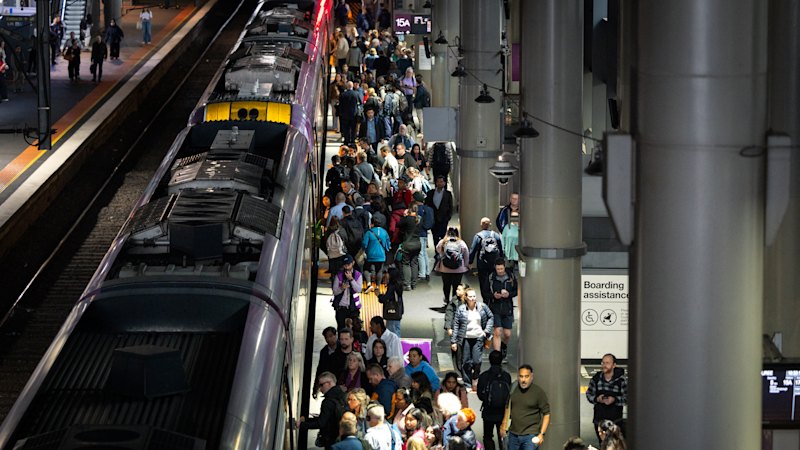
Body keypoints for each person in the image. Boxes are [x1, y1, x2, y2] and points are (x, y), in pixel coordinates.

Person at [451, 287, 494, 390]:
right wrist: (453, 341)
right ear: (466, 297)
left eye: (474, 296)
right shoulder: (461, 309)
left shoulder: (482, 307)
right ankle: (467, 384)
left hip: (478, 337)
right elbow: (456, 325)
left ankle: (475, 377)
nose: (472, 298)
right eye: (470, 296)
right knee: (466, 362)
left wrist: (486, 331)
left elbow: (491, 317)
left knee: (476, 361)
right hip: (465, 338)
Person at [500, 365, 551, 450]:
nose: (523, 380)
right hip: (513, 434)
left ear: (531, 377)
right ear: (518, 377)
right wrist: (503, 425)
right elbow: (508, 406)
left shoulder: (538, 392)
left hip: (530, 435)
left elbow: (547, 414)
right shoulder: (513, 388)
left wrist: (542, 433)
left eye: (526, 376)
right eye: (521, 376)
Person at [298, 371, 348, 449]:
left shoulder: (328, 401)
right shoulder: (343, 396)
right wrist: (306, 420)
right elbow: (326, 418)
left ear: (329, 383)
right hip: (342, 438)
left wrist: (302, 425)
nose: (320, 389)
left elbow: (321, 423)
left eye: (321, 385)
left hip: (331, 440)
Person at [585, 354, 627, 443]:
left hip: (615, 421)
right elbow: (589, 394)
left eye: (607, 363)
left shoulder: (621, 380)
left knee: (615, 445)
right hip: (599, 421)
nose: (604, 365)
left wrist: (615, 400)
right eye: (603, 363)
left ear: (614, 365)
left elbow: (627, 398)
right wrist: (597, 399)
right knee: (603, 444)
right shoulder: (596, 379)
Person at [477, 351, 512, 450]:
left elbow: (480, 395)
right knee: (502, 436)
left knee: (488, 437)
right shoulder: (506, 376)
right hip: (502, 412)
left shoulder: (484, 376)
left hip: (488, 412)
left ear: (489, 360)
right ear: (501, 360)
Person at [469, 217, 504, 304]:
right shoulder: (496, 235)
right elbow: (501, 249)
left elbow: (473, 250)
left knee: (483, 281)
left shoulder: (478, 236)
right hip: (494, 263)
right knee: (494, 279)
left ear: (481, 225)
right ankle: (494, 297)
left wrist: (470, 261)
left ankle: (486, 299)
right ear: (490, 225)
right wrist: (501, 261)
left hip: (482, 263)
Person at [488, 258, 517, 355]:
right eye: (498, 269)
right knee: (497, 331)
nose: (500, 271)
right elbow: (485, 292)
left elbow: (516, 291)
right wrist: (493, 296)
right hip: (495, 307)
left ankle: (503, 346)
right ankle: (497, 354)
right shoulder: (491, 278)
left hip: (507, 307)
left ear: (504, 267)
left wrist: (509, 294)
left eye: (501, 269)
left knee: (507, 334)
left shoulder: (511, 277)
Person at [435, 227, 470, 306]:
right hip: (458, 268)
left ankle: (447, 299)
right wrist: (466, 265)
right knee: (456, 286)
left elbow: (438, 249)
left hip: (445, 268)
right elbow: (466, 254)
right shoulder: (461, 243)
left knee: (446, 284)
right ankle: (454, 301)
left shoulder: (443, 242)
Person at [332, 255, 363, 330]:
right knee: (341, 329)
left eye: (348, 264)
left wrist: (351, 279)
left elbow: (359, 290)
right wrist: (341, 288)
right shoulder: (339, 275)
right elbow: (335, 292)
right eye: (345, 265)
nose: (346, 267)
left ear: (353, 263)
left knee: (355, 328)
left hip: (353, 308)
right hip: (341, 308)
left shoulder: (358, 275)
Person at [443, 283, 468, 376]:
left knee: (465, 351)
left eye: (459, 289)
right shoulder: (454, 300)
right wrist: (448, 327)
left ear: (465, 291)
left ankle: (465, 371)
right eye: (457, 289)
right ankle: (458, 371)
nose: (457, 291)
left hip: (467, 330)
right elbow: (449, 314)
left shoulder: (470, 301)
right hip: (456, 329)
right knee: (456, 350)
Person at [397, 204, 422, 291]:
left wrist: (405, 215)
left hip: (407, 244)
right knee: (414, 263)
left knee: (406, 263)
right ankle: (414, 284)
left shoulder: (407, 219)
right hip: (417, 244)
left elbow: (398, 224)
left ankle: (407, 284)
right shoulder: (420, 219)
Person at [424, 175, 454, 245]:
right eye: (438, 182)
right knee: (435, 236)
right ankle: (436, 249)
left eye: (441, 182)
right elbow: (427, 204)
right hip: (433, 218)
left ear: (444, 183)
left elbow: (450, 206)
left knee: (443, 236)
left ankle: (442, 249)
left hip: (443, 218)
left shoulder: (448, 194)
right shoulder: (430, 193)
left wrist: (448, 217)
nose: (439, 183)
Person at [315, 327, 343, 397]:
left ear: (335, 335)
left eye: (330, 336)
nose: (328, 339)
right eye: (326, 337)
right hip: (328, 384)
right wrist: (316, 386)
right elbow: (320, 368)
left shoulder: (343, 348)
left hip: (340, 382)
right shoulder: (324, 351)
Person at [363, 217, 391, 285]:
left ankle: (369, 283)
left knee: (366, 269)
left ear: (372, 224)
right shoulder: (384, 232)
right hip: (381, 255)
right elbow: (388, 244)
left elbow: (364, 244)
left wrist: (365, 250)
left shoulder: (369, 232)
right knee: (379, 270)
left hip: (370, 255)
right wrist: (386, 249)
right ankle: (378, 286)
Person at [378, 267, 404, 336]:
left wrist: (379, 295)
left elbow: (385, 299)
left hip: (392, 312)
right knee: (396, 330)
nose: (385, 275)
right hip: (397, 311)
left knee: (392, 333)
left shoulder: (392, 286)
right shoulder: (398, 284)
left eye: (387, 273)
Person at [339, 80, 362, 146]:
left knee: (346, 128)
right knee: (353, 128)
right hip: (354, 114)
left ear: (347, 86)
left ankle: (346, 140)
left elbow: (340, 105)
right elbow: (360, 102)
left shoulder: (343, 94)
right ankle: (352, 141)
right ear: (352, 86)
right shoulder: (356, 94)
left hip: (345, 115)